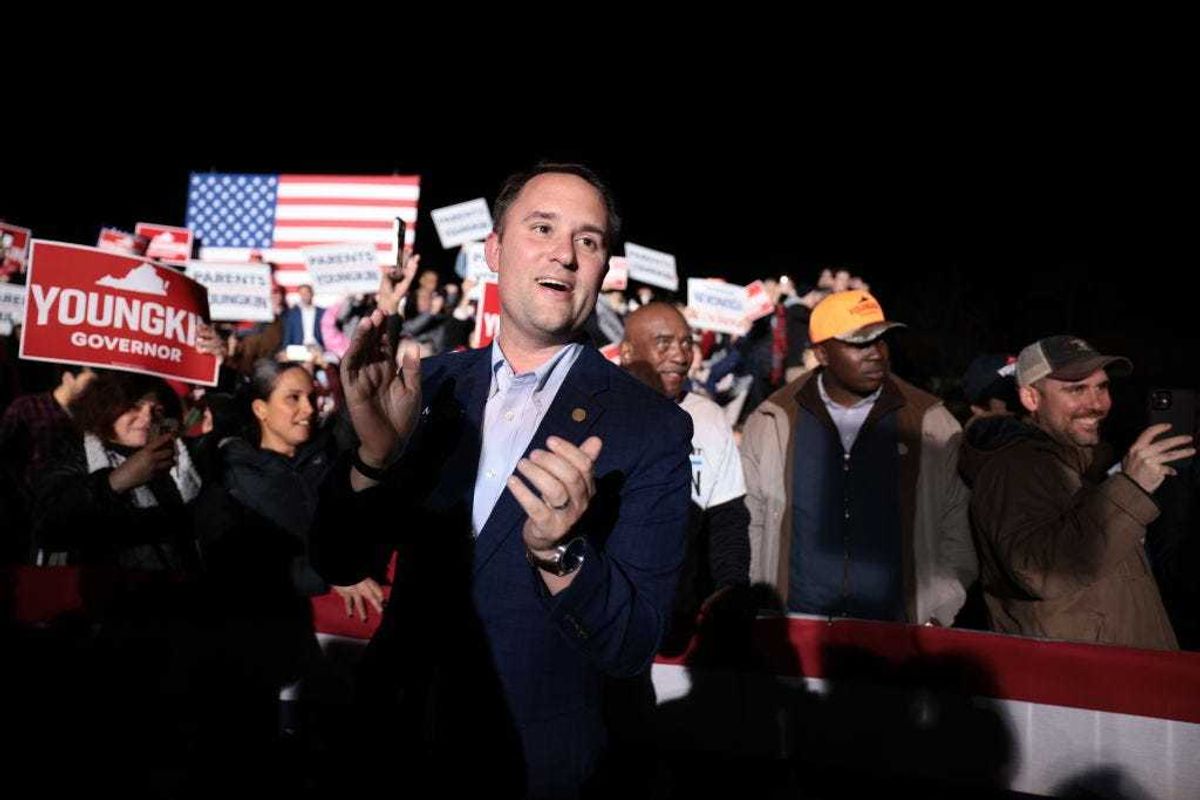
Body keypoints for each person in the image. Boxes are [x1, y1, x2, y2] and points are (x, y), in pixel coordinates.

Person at [312, 163, 693, 797]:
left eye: (589, 241)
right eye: (542, 227)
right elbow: (337, 555)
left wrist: (561, 553)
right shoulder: (423, 384)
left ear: (602, 270)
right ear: (493, 250)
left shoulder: (651, 428)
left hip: (533, 767)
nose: (565, 255)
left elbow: (632, 644)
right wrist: (376, 455)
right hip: (393, 746)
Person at [740, 289, 976, 625]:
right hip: (796, 627)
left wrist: (939, 609)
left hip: (899, 631)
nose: (876, 354)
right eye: (859, 343)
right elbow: (751, 521)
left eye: (881, 340)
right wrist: (761, 603)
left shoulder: (930, 422)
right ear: (821, 353)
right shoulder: (772, 420)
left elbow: (955, 525)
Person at [959, 335, 1188, 649]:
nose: (1097, 404)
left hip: (1127, 676)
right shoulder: (1014, 469)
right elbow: (1041, 571)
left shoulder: (1086, 464)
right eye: (1076, 389)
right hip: (1078, 684)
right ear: (1030, 398)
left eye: (1102, 387)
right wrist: (1131, 489)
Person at [620, 302, 749, 650]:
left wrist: (730, 586)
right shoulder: (595, 409)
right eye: (664, 342)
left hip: (681, 620)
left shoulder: (709, 417)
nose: (680, 355)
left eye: (686, 343)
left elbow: (728, 518)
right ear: (627, 351)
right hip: (606, 618)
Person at [282, 284, 325, 349]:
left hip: (317, 346)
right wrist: (285, 349)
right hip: (299, 347)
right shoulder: (293, 314)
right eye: (302, 293)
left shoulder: (321, 312)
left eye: (307, 292)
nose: (304, 296)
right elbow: (288, 334)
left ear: (312, 294)